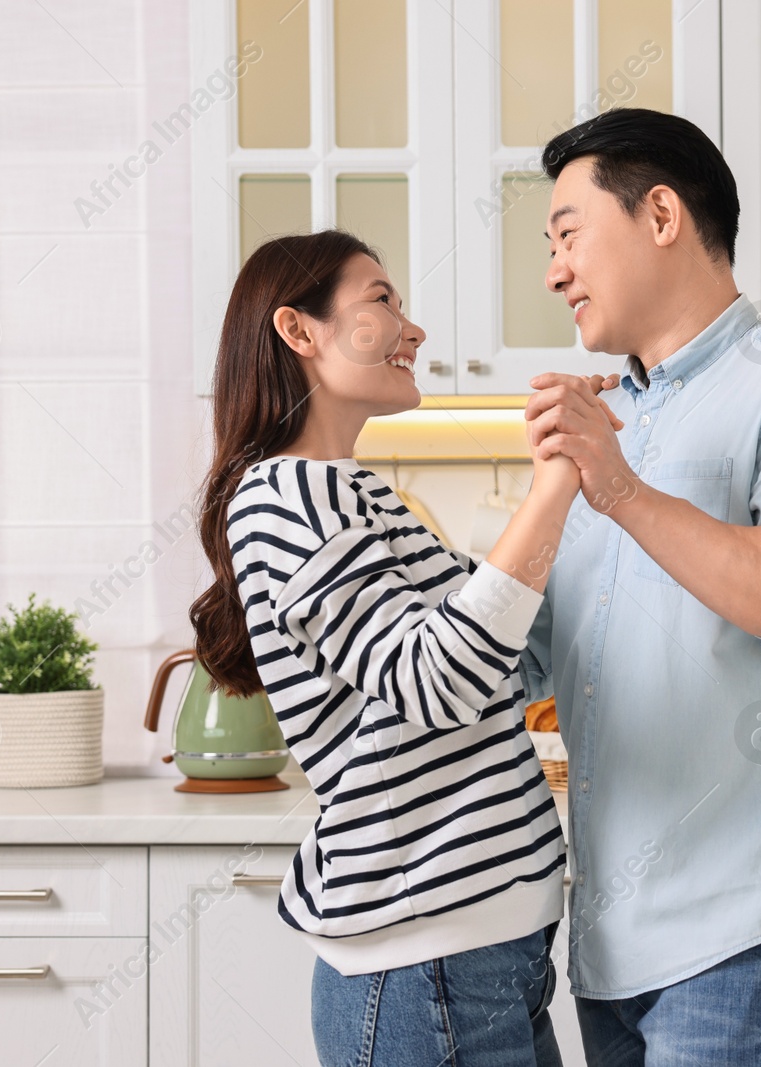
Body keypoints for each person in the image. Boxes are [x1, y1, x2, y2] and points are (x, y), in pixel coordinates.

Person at [522, 108, 761, 1065]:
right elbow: (532, 661)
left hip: (746, 939)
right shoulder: (611, 424)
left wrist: (616, 488)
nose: (553, 270)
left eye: (569, 234)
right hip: (610, 948)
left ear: (661, 215)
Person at [189, 230, 623, 1066]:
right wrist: (554, 485)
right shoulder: (285, 498)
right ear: (300, 330)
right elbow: (440, 680)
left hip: (477, 956)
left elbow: (507, 663)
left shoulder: (356, 495)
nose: (413, 329)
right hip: (424, 961)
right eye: (382, 300)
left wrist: (601, 477)